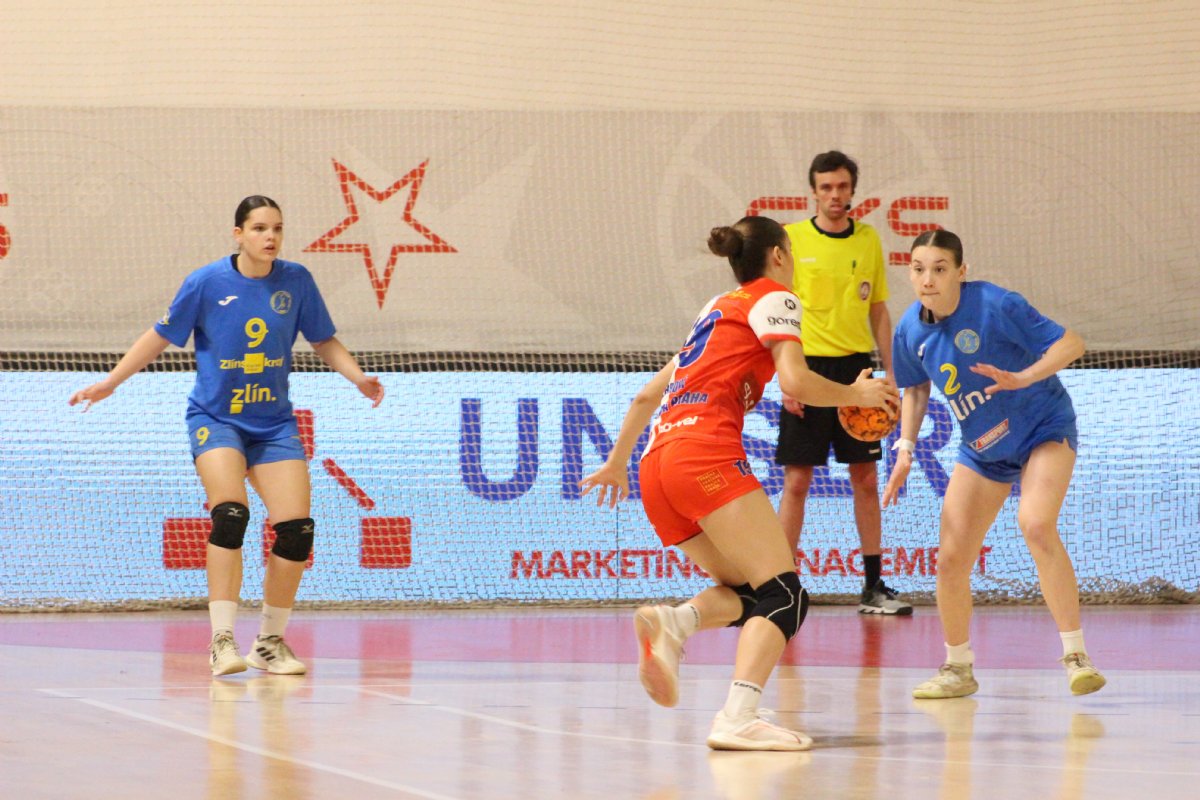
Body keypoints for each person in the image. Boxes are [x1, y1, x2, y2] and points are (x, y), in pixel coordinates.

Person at [580, 216, 897, 750]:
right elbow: (795, 380)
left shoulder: (715, 310)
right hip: (702, 455)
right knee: (786, 595)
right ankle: (738, 717)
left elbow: (646, 396)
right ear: (779, 255)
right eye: (790, 252)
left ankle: (676, 623)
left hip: (656, 468)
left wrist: (616, 463)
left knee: (753, 594)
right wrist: (855, 395)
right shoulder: (776, 298)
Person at [69, 195, 384, 677]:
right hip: (217, 419)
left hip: (273, 424)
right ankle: (221, 640)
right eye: (259, 228)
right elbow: (160, 335)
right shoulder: (207, 282)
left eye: (277, 228)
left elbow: (322, 339)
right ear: (238, 234)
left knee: (297, 530)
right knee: (231, 515)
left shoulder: (297, 280)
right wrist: (111, 382)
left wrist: (357, 378)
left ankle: (269, 642)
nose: (270, 237)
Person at [882, 228, 1105, 698]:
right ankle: (957, 668)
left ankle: (1076, 656)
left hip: (1042, 428)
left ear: (961, 272)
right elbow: (915, 388)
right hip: (983, 448)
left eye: (940, 269)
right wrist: (904, 449)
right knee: (950, 559)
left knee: (1036, 524)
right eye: (919, 269)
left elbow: (1072, 343)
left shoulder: (995, 304)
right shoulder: (909, 330)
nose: (928, 279)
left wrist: (1023, 377)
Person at [776, 150, 910, 614]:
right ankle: (783, 587)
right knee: (797, 481)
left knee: (866, 479)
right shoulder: (792, 240)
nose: (835, 195)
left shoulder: (868, 240)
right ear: (813, 192)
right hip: (806, 368)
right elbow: (777, 312)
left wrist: (892, 374)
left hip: (858, 373)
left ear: (852, 190)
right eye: (826, 187)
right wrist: (786, 378)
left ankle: (873, 587)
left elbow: (878, 309)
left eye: (842, 186)